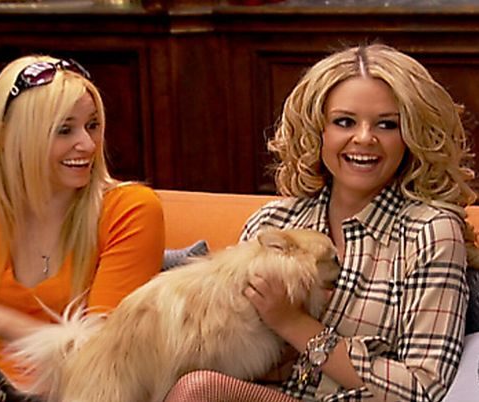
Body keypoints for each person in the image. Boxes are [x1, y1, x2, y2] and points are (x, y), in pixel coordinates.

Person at [163, 44, 478, 401]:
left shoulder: (430, 232)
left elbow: (423, 388)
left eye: (387, 124)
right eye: (344, 122)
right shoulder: (274, 222)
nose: (364, 138)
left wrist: (293, 323)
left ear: (411, 136)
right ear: (318, 130)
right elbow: (228, 357)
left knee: (200, 390)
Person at [0, 55, 165, 400]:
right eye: (65, 130)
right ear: (9, 138)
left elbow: (105, 357)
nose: (88, 145)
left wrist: (2, 322)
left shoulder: (130, 210)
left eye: (92, 125)